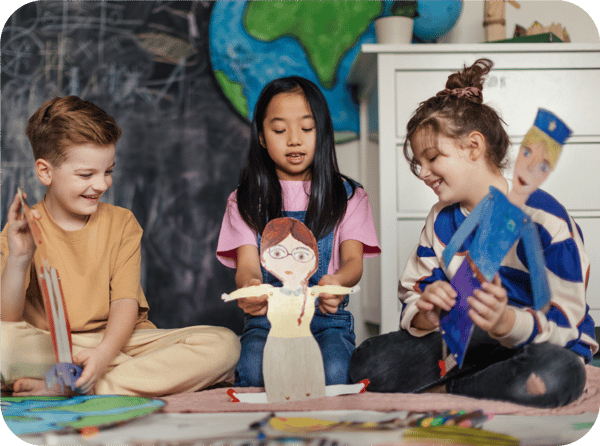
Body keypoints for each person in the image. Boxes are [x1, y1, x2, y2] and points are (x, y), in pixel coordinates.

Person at [349, 59, 598, 408]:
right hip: (463, 341)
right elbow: (414, 291)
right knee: (369, 363)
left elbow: (567, 319)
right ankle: (479, 383)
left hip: (536, 342)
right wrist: (427, 310)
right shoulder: (440, 221)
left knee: (557, 374)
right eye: (418, 163)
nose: (423, 172)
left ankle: (448, 391)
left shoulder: (542, 217)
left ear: (473, 147)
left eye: (432, 157)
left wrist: (506, 321)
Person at [1, 96, 241, 397]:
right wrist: (20, 257)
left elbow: (125, 302)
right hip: (53, 346)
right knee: (2, 342)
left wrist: (102, 356)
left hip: (120, 343)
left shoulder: (122, 223)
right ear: (45, 172)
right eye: (86, 175)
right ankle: (107, 379)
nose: (101, 184)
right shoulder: (21, 229)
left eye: (108, 171)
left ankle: (85, 385)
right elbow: (7, 319)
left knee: (224, 344)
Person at [216, 76, 380, 388]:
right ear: (262, 137)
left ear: (322, 131)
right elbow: (247, 265)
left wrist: (338, 282)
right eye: (279, 130)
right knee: (253, 374)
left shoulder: (348, 196)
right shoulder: (244, 199)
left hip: (326, 322)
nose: (294, 140)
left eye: (306, 128)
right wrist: (250, 287)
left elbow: (353, 263)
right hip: (268, 321)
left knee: (333, 373)